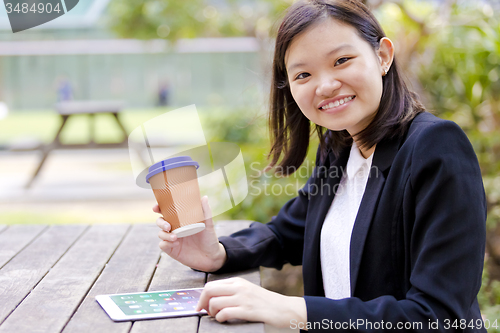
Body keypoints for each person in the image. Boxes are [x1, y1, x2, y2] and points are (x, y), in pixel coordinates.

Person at [155, 0, 487, 331]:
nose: (325, 85)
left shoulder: (436, 147)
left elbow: (440, 316)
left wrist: (291, 309)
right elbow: (288, 232)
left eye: (342, 60)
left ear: (383, 56)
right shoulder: (339, 146)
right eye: (303, 74)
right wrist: (220, 253)